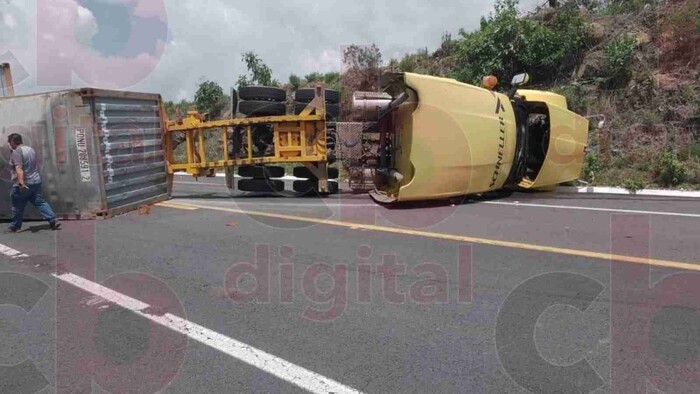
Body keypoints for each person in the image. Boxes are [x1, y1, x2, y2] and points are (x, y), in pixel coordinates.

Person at [5, 133, 60, 233]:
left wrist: (21, 183)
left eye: (9, 142)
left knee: (17, 206)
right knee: (39, 202)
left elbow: (19, 169)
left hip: (25, 183)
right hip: (36, 181)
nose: (9, 144)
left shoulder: (17, 153)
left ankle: (15, 226)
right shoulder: (30, 149)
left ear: (12, 142)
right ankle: (53, 220)